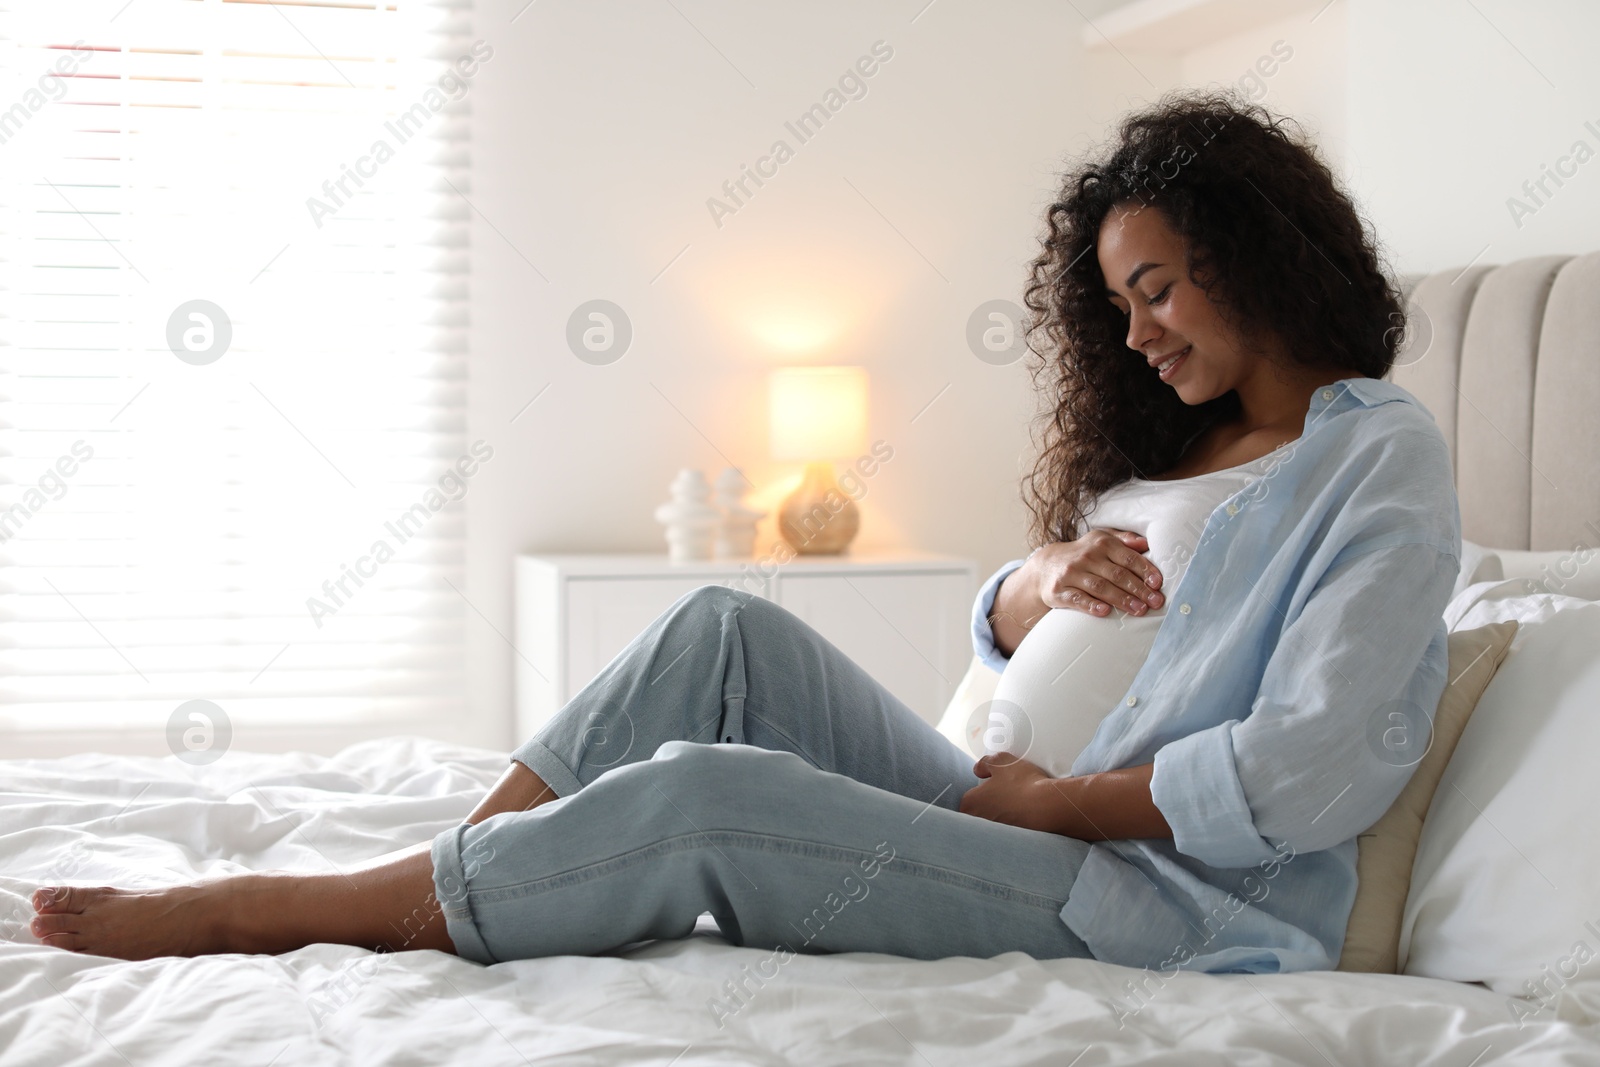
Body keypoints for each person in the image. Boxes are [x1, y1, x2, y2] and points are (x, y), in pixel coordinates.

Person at [29, 89, 1459, 974]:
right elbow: (1042, 623)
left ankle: (294, 910)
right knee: (720, 631)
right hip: (1004, 801)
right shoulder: (1186, 444)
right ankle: (432, 887)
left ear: (1255, 254)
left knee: (711, 794)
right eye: (1121, 305)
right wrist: (1027, 588)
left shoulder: (1376, 457)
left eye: (1157, 289)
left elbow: (1315, 761)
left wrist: (1050, 804)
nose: (1136, 333)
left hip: (1150, 898)